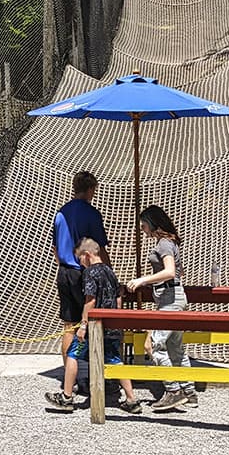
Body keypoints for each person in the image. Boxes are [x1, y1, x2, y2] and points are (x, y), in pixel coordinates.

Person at [45, 238, 141, 414]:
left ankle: (66, 397)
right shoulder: (110, 272)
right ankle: (131, 399)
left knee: (73, 353)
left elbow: (91, 300)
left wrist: (83, 324)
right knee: (115, 359)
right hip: (112, 325)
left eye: (80, 259)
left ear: (87, 255)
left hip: (95, 326)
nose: (80, 263)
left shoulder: (90, 273)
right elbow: (119, 296)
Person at [126, 205, 197, 411]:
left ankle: (173, 390)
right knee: (176, 348)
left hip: (170, 299)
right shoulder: (169, 242)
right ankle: (188, 391)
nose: (142, 229)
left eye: (144, 225)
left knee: (153, 345)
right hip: (171, 297)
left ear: (151, 223)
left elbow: (170, 272)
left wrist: (143, 280)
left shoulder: (164, 244)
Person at [53, 171, 110, 366]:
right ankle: (93, 372)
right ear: (91, 190)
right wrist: (108, 273)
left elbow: (55, 246)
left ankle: (69, 375)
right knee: (92, 322)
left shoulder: (61, 213)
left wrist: (63, 264)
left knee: (68, 325)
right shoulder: (91, 214)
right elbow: (99, 247)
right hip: (84, 272)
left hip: (64, 271)